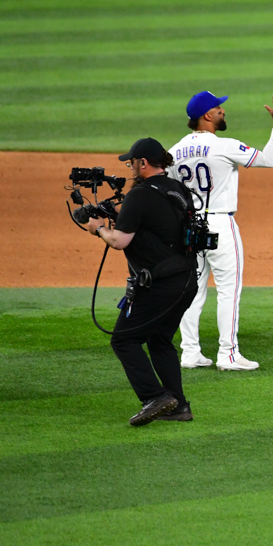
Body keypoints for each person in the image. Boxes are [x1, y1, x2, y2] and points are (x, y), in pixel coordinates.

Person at [79, 138, 199, 426]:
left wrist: (99, 228)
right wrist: (115, 216)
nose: (130, 166)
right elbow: (158, 226)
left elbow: (119, 241)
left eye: (132, 162)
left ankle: (154, 397)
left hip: (160, 284)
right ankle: (179, 406)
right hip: (186, 280)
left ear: (143, 163)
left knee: (124, 340)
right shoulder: (177, 188)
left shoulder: (141, 194)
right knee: (160, 340)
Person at [169, 90, 273, 371]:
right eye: (218, 108)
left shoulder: (173, 152)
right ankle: (228, 354)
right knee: (228, 291)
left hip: (188, 228)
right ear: (207, 115)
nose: (223, 110)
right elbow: (267, 159)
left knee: (191, 291)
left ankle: (190, 353)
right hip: (219, 224)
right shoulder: (224, 145)